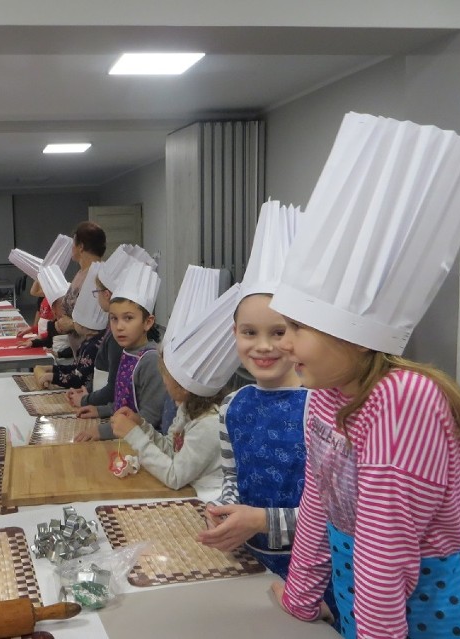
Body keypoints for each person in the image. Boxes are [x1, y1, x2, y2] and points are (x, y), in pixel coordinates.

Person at [268, 113, 460, 639]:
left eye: (296, 327)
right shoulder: (322, 391)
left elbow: (388, 549)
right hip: (357, 591)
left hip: (424, 608)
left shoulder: (404, 400)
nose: (282, 343)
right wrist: (300, 596)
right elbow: (318, 499)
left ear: (355, 334)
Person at [197, 200, 309, 583]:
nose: (263, 346)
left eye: (278, 332)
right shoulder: (233, 405)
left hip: (316, 572)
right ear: (235, 335)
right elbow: (234, 479)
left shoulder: (321, 408)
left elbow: (342, 516)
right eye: (249, 333)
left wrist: (261, 520)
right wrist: (224, 510)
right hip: (251, 562)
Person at [110, 281, 240, 499]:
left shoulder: (208, 425)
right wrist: (141, 426)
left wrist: (133, 435)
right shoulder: (187, 408)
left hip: (206, 502)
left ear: (182, 384)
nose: (163, 381)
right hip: (188, 492)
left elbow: (174, 476)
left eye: (165, 375)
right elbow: (172, 450)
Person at [75, 261, 166, 440]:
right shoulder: (127, 351)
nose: (119, 327)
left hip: (142, 444)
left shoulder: (150, 360)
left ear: (148, 322)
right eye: (114, 319)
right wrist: (100, 410)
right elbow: (125, 401)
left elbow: (149, 417)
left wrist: (103, 431)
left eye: (128, 318)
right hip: (122, 435)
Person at [34, 262, 108, 389]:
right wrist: (51, 369)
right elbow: (75, 367)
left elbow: (78, 378)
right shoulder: (87, 342)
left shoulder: (93, 346)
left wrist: (52, 376)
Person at [54, 222, 106, 352]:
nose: (71, 248)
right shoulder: (81, 272)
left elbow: (100, 323)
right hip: (78, 349)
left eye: (73, 244)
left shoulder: (98, 276)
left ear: (81, 246)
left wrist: (71, 325)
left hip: (93, 351)